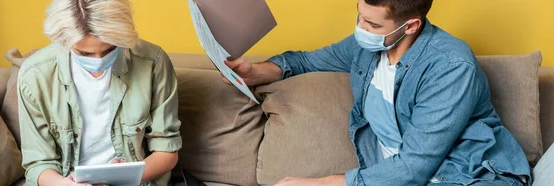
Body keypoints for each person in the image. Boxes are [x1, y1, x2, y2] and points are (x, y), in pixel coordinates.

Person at [223, 0, 531, 185]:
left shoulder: (451, 66)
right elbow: (304, 61)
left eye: (371, 23)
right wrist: (253, 72)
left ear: (410, 26)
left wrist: (313, 182)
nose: (360, 28)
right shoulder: (366, 46)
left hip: (470, 175)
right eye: (359, 16)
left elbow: (412, 169)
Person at [18, 0, 181, 185]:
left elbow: (167, 151)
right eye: (84, 53)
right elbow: (38, 164)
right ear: (63, 41)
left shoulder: (153, 62)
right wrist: (64, 184)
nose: (99, 60)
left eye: (111, 49)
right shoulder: (34, 75)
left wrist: (125, 177)